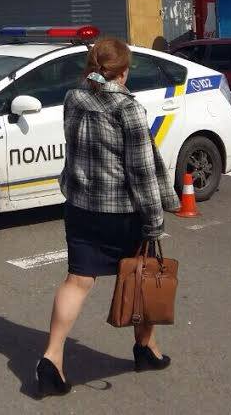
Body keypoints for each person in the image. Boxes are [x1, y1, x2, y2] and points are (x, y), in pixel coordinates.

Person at [36, 37, 181, 398]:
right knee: (143, 276)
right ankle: (145, 348)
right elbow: (142, 170)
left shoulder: (73, 99)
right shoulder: (127, 108)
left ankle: (52, 357)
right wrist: (155, 219)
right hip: (122, 210)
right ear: (124, 70)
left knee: (77, 280)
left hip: (81, 205)